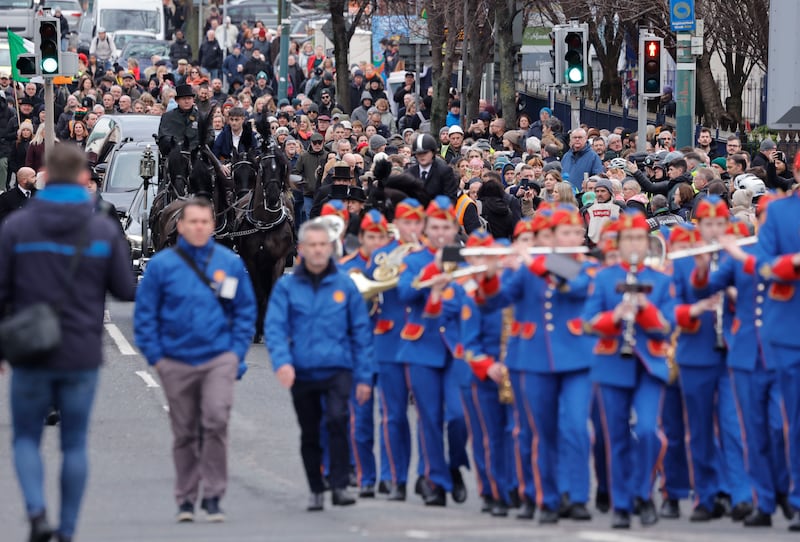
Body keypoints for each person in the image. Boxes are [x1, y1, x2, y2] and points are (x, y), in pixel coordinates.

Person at [0, 144, 136, 542]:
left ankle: (37, 514)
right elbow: (126, 289)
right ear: (82, 178)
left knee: (26, 437)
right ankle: (69, 530)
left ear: (43, 175)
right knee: (74, 444)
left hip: (30, 348)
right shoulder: (101, 229)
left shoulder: (17, 227)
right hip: (80, 350)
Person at [134, 197, 257, 523]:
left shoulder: (229, 264)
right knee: (186, 431)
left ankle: (214, 495)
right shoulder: (162, 267)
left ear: (213, 225)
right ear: (181, 227)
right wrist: (157, 357)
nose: (199, 227)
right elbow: (145, 316)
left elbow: (244, 311)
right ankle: (187, 498)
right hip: (175, 360)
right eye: (193, 222)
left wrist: (235, 353)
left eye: (205, 222)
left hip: (218, 358)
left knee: (215, 421)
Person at [265, 218, 375, 511]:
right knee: (310, 431)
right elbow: (275, 329)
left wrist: (364, 377)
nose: (316, 251)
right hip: (303, 370)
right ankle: (316, 486)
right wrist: (282, 363)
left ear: (330, 248)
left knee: (338, 420)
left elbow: (361, 332)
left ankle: (339, 484)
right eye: (311, 245)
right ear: (301, 249)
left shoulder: (345, 285)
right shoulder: (287, 288)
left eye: (322, 245)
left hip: (339, 368)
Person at [582, 211, 675, 529]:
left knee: (648, 431)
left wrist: (644, 309)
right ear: (619, 245)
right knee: (616, 436)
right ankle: (622, 504)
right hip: (611, 363)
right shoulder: (605, 278)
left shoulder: (661, 280)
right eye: (629, 239)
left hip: (648, 364)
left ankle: (643, 492)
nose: (634, 244)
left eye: (639, 239)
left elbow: (666, 327)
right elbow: (589, 322)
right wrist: (616, 315)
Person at [408, 134, 458, 202]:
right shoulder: (409, 173)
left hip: (439, 210)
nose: (422, 156)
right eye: (419, 153)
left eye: (425, 153)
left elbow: (451, 198)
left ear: (433, 152)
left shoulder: (445, 172)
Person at [157, 84, 201, 154]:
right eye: (184, 99)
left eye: (189, 98)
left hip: (197, 154)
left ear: (193, 100)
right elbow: (163, 137)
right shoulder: (168, 117)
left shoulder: (201, 116)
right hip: (174, 155)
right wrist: (176, 145)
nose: (187, 101)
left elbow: (209, 135)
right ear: (177, 101)